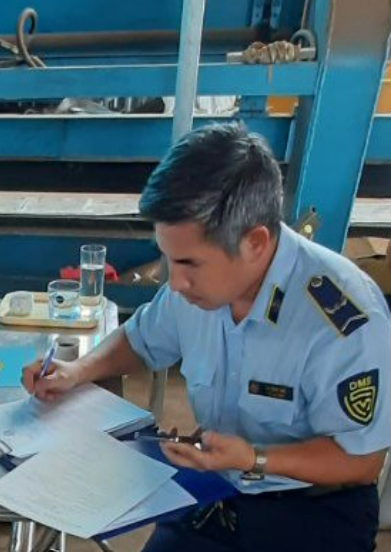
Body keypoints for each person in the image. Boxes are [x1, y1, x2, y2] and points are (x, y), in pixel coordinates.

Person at [23, 123, 391, 552]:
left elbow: (363, 461)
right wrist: (77, 370)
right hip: (219, 485)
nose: (174, 283)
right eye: (168, 259)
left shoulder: (341, 319)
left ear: (255, 243)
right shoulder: (194, 290)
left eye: (188, 263)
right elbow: (140, 339)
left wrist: (253, 458)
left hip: (314, 505)